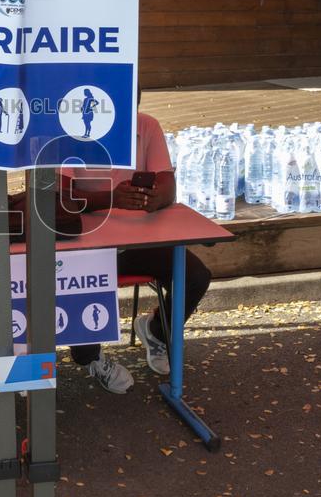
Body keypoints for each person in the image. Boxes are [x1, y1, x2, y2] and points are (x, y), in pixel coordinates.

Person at [61, 88, 213, 394]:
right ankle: (89, 357)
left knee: (196, 276)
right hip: (88, 242)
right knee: (88, 280)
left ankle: (155, 331)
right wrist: (111, 198)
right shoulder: (69, 129)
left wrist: (157, 197)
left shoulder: (146, 126)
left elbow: (168, 185)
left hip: (138, 238)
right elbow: (61, 195)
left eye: (131, 106)